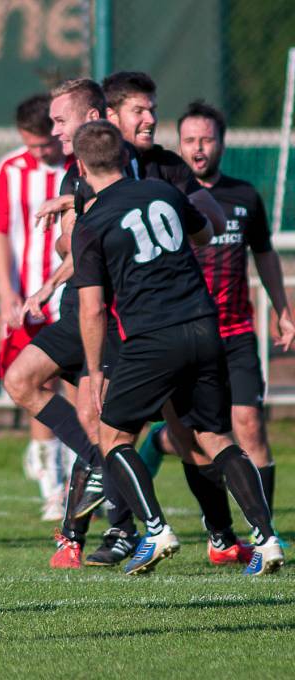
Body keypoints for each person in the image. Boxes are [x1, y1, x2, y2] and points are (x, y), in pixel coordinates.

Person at [71, 119, 284, 576]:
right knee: (216, 436)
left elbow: (91, 309)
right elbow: (205, 233)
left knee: (113, 437)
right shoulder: (162, 191)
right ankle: (267, 541)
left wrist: (95, 373)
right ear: (124, 158)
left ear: (81, 166)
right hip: (205, 327)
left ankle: (155, 529)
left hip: (152, 337)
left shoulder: (91, 222)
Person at [134, 100, 294, 564]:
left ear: (222, 143)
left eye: (206, 140)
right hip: (184, 334)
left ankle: (264, 531)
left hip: (236, 331)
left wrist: (283, 309)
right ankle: (221, 536)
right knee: (195, 438)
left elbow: (264, 253)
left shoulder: (245, 196)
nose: (198, 149)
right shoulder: (162, 198)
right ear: (178, 144)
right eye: (189, 141)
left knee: (250, 426)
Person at [96, 71, 230, 554]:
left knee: (183, 433)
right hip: (110, 317)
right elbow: (74, 238)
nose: (151, 118)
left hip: (159, 321)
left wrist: (203, 207)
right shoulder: (96, 164)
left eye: (152, 108)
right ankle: (119, 530)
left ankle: (219, 531)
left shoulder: (167, 168)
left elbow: (207, 221)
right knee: (102, 423)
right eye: (139, 110)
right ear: (111, 117)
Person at [3, 79, 124, 570]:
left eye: (60, 120)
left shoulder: (113, 171)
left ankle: (129, 528)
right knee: (23, 381)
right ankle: (103, 481)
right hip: (74, 310)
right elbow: (73, 246)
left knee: (122, 426)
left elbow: (86, 247)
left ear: (92, 115)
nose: (54, 130)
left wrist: (51, 278)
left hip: (103, 313)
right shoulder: (73, 176)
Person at [0, 93, 74, 521]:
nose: (39, 153)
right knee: (41, 385)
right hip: (31, 300)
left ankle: (80, 480)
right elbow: (0, 232)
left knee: (81, 387)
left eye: (44, 144)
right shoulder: (11, 169)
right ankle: (52, 485)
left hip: (74, 293)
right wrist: (6, 293)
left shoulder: (79, 164)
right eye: (30, 145)